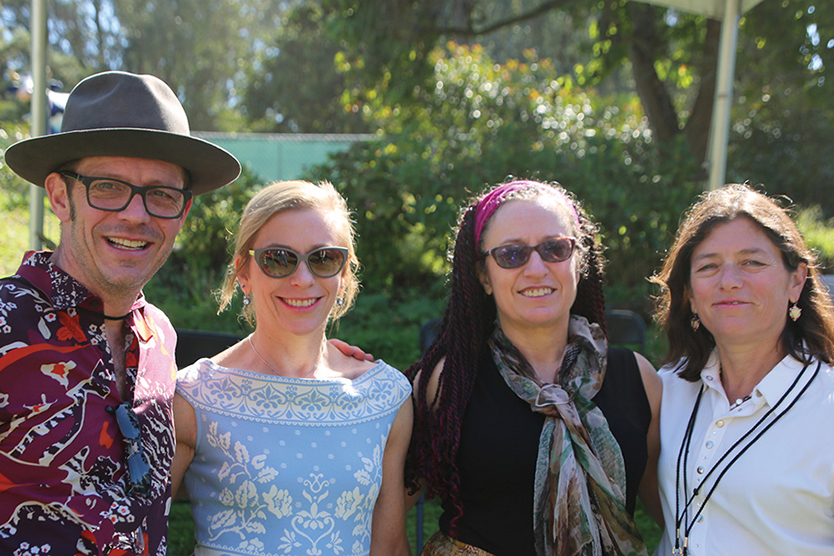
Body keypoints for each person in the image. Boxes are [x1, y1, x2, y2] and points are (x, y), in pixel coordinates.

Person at [0, 71, 241, 555]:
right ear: (60, 196)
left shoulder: (159, 337)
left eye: (162, 195)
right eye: (108, 187)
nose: (137, 215)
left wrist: (317, 356)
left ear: (183, 213)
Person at [407, 179, 662, 556]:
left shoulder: (638, 378)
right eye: (512, 254)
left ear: (579, 261)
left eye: (555, 249)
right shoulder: (447, 382)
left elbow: (680, 512)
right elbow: (381, 507)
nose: (537, 268)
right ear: (483, 275)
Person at [170, 180, 413, 556]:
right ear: (244, 273)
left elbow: (390, 546)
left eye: (324, 258)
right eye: (278, 259)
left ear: (344, 273)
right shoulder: (192, 395)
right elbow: (136, 532)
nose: (303, 278)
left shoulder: (384, 396)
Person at [651, 184, 834, 555]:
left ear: (796, 281)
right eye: (708, 266)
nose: (729, 280)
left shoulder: (826, 408)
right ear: (689, 293)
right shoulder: (665, 391)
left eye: (752, 262)